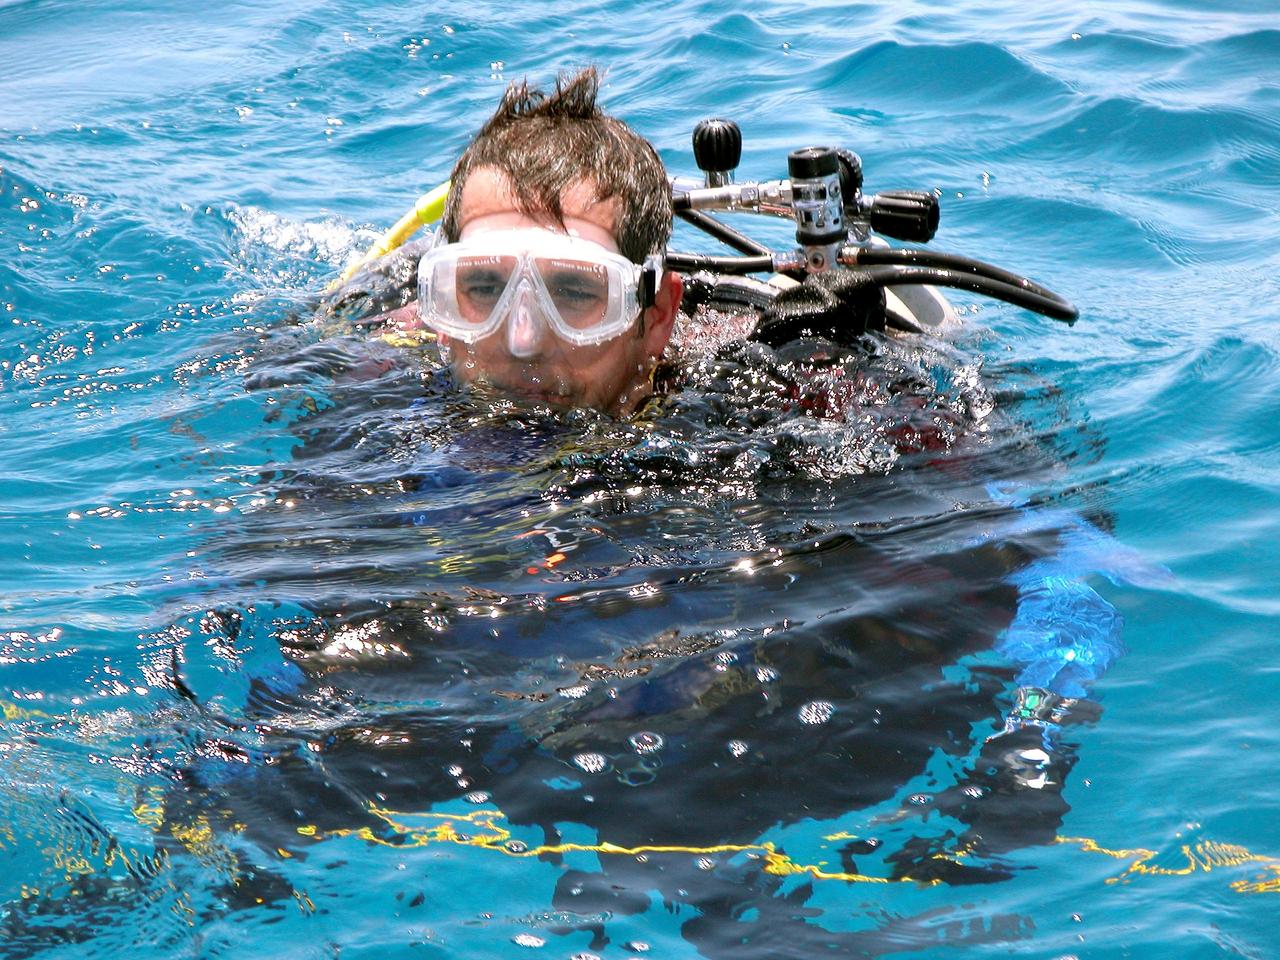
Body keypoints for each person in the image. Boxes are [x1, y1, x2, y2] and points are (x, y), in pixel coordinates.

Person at [420, 67, 683, 415]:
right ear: (444, 306)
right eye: (484, 288)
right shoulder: (377, 394)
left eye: (573, 293)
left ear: (657, 317)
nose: (522, 343)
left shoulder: (728, 429)